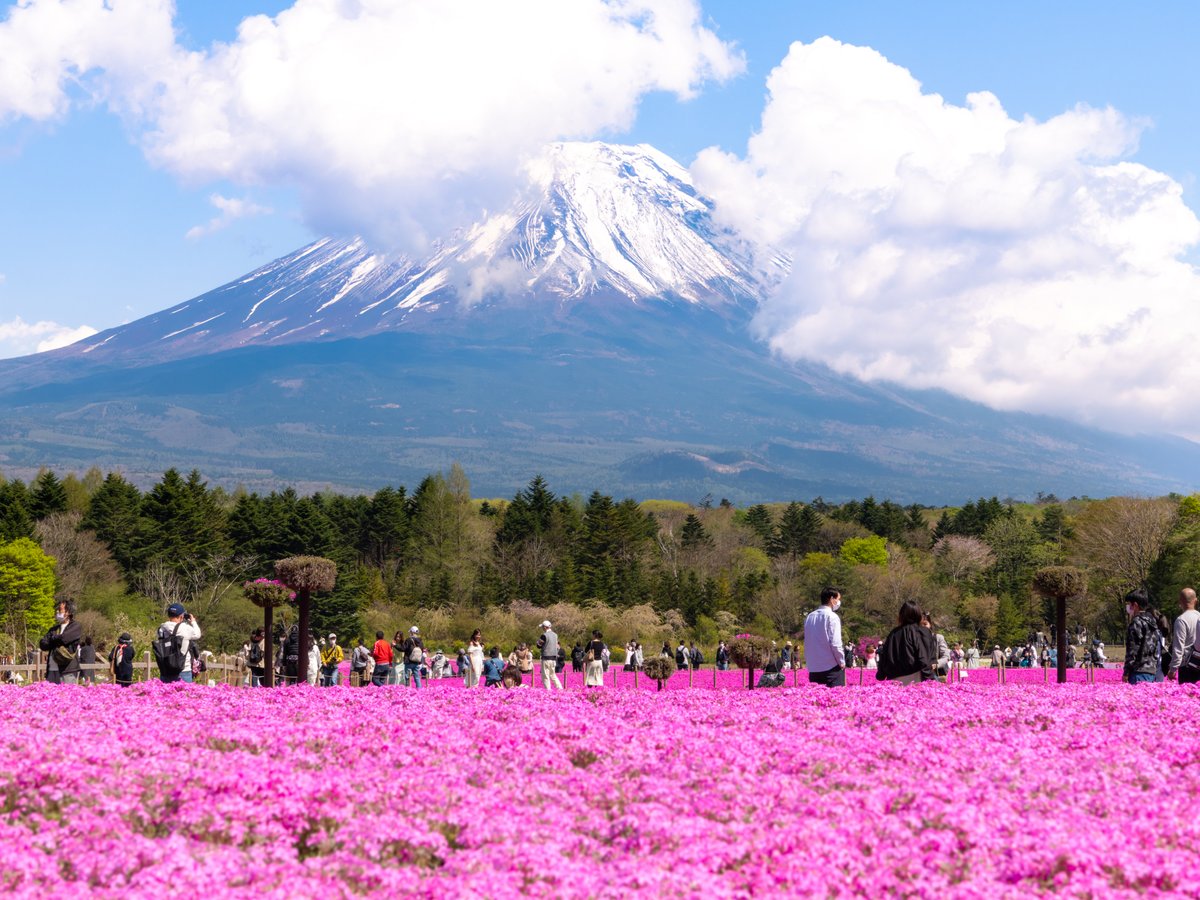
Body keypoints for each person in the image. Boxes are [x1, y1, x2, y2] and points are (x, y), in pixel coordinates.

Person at [876, 600, 936, 684]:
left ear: (901, 615)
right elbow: (923, 657)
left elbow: (885, 656)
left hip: (894, 680)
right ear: (918, 614)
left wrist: (881, 674)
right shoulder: (922, 631)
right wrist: (930, 679)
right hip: (915, 678)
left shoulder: (893, 633)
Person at [804, 587, 846, 688]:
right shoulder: (832, 616)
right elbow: (835, 643)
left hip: (814, 668)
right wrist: (841, 661)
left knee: (816, 700)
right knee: (835, 700)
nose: (838, 602)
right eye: (838, 599)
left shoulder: (810, 616)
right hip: (831, 667)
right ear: (832, 599)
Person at [39, 599, 84, 684]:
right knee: (50, 696)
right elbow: (42, 644)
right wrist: (55, 639)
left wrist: (52, 639)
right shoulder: (54, 629)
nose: (57, 611)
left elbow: (64, 638)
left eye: (60, 610)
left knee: (66, 695)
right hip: (51, 669)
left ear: (68, 612)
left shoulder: (75, 626)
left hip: (67, 670)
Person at [1123, 588, 1161, 685]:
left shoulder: (1136, 622)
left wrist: (1126, 672)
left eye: (1129, 604)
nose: (1128, 607)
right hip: (1151, 670)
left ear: (1135, 605)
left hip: (1138, 671)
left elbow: (1132, 650)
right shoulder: (1153, 621)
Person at [156, 604, 202, 684]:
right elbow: (197, 634)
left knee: (165, 696)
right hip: (183, 670)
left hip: (166, 669)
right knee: (184, 695)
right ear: (181, 616)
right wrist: (193, 621)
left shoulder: (161, 628)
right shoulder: (184, 628)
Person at [1167, 587, 1200, 684]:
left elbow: (1178, 646)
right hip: (1199, 663)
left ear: (1180, 602)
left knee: (1187, 696)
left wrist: (1173, 669)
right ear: (1196, 600)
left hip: (1187, 666)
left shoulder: (1181, 620)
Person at [536, 620, 562, 690]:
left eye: (542, 627)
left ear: (545, 627)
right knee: (553, 675)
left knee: (545, 676)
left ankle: (548, 691)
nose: (542, 628)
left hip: (546, 657)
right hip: (553, 658)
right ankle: (560, 688)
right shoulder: (555, 635)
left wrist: (537, 642)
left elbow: (539, 646)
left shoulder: (544, 635)